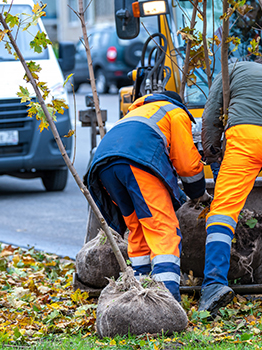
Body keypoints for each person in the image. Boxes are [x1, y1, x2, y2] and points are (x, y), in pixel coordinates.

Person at [199, 57, 262, 314]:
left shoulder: (232, 67)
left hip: (247, 136)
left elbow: (212, 110)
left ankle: (213, 284)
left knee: (223, 210)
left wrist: (211, 150)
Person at [85, 91, 206, 302]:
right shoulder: (175, 112)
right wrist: (197, 193)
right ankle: (166, 301)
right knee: (162, 228)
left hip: (104, 167)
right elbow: (187, 164)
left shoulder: (137, 112)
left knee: (138, 227)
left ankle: (140, 294)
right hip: (137, 161)